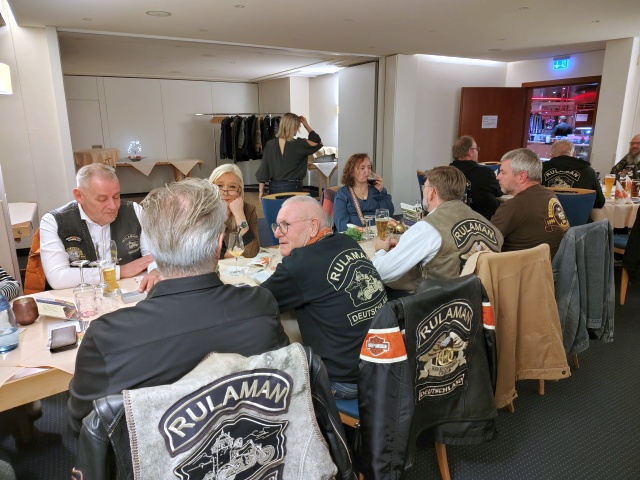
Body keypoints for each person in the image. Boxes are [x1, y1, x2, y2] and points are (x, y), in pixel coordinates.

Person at [67, 178, 289, 433]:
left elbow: (82, 421)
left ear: (153, 250)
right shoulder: (261, 306)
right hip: (252, 442)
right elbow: (283, 379)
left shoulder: (108, 336)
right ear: (219, 245)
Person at [261, 196, 387, 399]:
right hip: (382, 369)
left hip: (344, 382)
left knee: (271, 383)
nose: (276, 233)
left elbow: (256, 305)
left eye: (285, 225)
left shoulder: (301, 264)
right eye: (277, 225)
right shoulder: (347, 241)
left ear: (312, 227)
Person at [372, 166, 503, 286]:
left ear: (432, 192)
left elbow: (380, 273)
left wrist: (380, 250)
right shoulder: (493, 230)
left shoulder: (428, 228)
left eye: (425, 187)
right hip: (481, 300)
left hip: (439, 302)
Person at [40, 164, 159, 291]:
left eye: (116, 197)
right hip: (81, 296)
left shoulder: (134, 211)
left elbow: (154, 257)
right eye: (102, 199)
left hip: (131, 292)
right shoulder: (54, 221)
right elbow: (57, 277)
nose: (113, 206)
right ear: (79, 196)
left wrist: (155, 271)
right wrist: (120, 271)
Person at [492, 148, 569, 258]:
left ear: (521, 177)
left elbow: (483, 243)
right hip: (552, 264)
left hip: (523, 267)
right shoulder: (549, 195)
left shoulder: (513, 206)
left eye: (503, 172)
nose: (498, 177)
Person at [256, 113, 322, 199]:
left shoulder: (270, 144)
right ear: (293, 127)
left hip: (274, 187)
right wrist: (306, 125)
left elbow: (264, 168)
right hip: (293, 186)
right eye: (298, 127)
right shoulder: (300, 144)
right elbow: (318, 143)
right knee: (293, 208)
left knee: (277, 208)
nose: (298, 129)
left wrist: (261, 190)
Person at [333, 153, 395, 232]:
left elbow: (389, 212)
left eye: (369, 167)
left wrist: (381, 191)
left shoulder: (376, 190)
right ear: (352, 172)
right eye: (362, 168)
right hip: (354, 235)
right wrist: (359, 233)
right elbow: (341, 224)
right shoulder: (343, 194)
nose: (367, 171)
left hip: (378, 232)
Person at [209, 163, 259, 258]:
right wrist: (229, 254)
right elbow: (203, 254)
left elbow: (252, 251)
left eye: (232, 187)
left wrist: (239, 215)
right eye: (219, 186)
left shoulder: (248, 209)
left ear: (239, 191)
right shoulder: (203, 211)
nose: (225, 192)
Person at [450, 135, 503, 219]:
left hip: (456, 218)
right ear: (470, 152)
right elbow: (499, 192)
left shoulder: (447, 173)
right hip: (485, 220)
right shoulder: (485, 172)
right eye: (476, 149)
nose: (478, 152)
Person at [542, 139, 605, 208]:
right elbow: (600, 202)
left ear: (552, 155)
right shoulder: (588, 171)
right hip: (578, 214)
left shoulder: (540, 169)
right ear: (574, 154)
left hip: (546, 214)